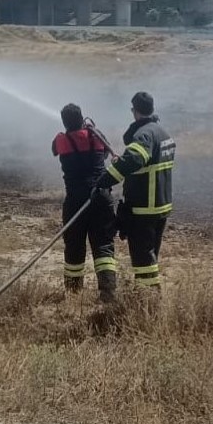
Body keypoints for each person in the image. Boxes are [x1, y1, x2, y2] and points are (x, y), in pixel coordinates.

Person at [93, 92, 174, 290]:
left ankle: (149, 298)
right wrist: (123, 161)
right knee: (150, 256)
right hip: (161, 206)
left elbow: (135, 159)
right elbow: (144, 162)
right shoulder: (162, 132)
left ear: (134, 110)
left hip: (144, 207)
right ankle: (147, 294)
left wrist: (106, 179)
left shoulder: (144, 134)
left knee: (143, 258)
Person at [52, 103, 119, 302]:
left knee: (74, 246)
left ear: (64, 122)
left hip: (75, 202)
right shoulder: (96, 135)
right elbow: (105, 152)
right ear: (82, 118)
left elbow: (54, 150)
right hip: (101, 198)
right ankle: (108, 293)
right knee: (104, 245)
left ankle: (73, 293)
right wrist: (90, 129)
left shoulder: (61, 140)